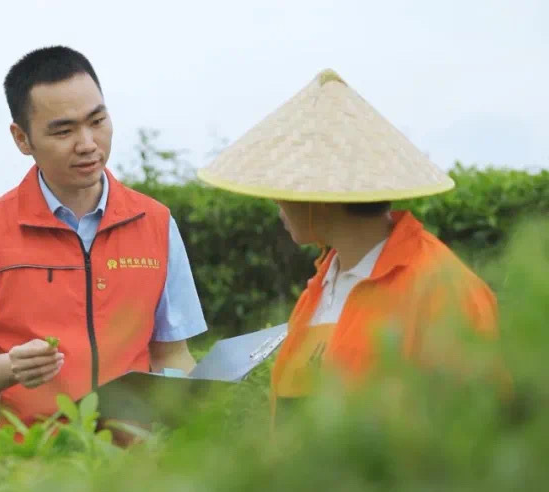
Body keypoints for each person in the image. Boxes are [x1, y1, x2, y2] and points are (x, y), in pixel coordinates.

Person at [0, 46, 208, 448]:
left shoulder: (156, 224)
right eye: (63, 131)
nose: (88, 143)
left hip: (132, 475)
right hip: (22, 469)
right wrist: (10, 367)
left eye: (98, 121)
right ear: (22, 139)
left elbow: (171, 356)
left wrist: (200, 409)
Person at [196, 69, 500, 422]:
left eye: (285, 187)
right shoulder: (325, 282)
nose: (276, 201)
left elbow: (477, 428)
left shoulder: (443, 288)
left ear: (321, 195)